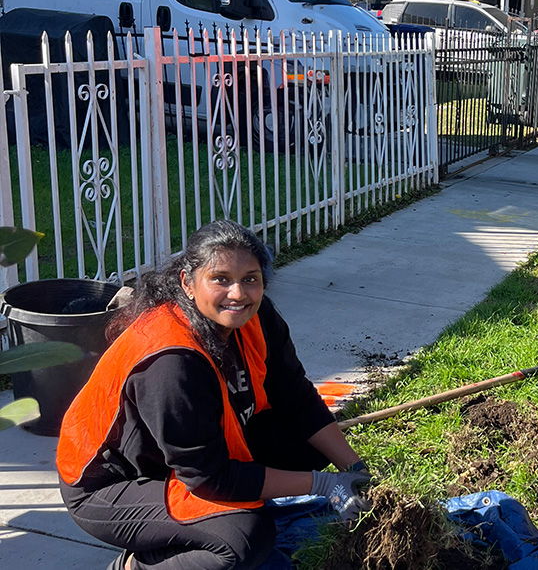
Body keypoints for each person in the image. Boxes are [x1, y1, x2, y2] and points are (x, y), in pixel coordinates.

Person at [57, 220, 371, 570]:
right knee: (243, 538)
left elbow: (298, 399)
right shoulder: (171, 360)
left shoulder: (255, 316)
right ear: (188, 284)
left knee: (305, 443)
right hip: (111, 485)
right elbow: (209, 477)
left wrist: (356, 470)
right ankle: (137, 565)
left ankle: (192, 529)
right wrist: (324, 484)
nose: (238, 293)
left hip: (182, 460)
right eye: (220, 279)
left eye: (250, 279)